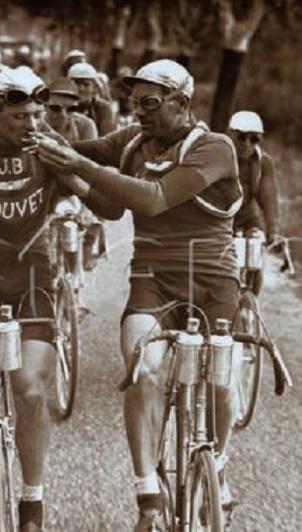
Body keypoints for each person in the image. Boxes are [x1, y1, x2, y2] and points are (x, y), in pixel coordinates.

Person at [33, 59, 243, 531]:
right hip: (152, 278)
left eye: (150, 103)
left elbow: (152, 198)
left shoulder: (215, 147)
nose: (140, 113)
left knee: (223, 383)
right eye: (134, 104)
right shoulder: (130, 142)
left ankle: (221, 462)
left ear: (183, 104)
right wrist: (40, 147)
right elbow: (106, 201)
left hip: (214, 281)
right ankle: (147, 490)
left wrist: (80, 166)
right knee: (142, 370)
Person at [0, 67, 120, 532]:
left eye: (37, 113)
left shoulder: (49, 150)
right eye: (19, 116)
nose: (31, 123)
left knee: (30, 388)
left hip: (30, 272)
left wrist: (72, 167)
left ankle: (32, 500)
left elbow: (109, 209)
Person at [44, 77, 104, 274]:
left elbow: (91, 169)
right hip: (42, 189)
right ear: (44, 106)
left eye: (71, 109)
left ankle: (77, 276)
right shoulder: (34, 125)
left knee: (85, 219)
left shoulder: (86, 126)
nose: (63, 115)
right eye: (55, 108)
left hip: (74, 188)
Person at [228, 110, 281, 295]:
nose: (247, 144)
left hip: (248, 219)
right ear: (230, 134)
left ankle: (252, 303)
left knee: (256, 259)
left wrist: (273, 231)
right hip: (220, 221)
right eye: (241, 137)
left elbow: (269, 199)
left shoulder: (263, 162)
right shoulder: (218, 156)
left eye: (254, 139)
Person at [68, 62, 116, 136]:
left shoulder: (103, 108)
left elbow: (107, 140)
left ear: (94, 88)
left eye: (86, 84)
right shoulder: (61, 108)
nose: (81, 89)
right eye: (76, 83)